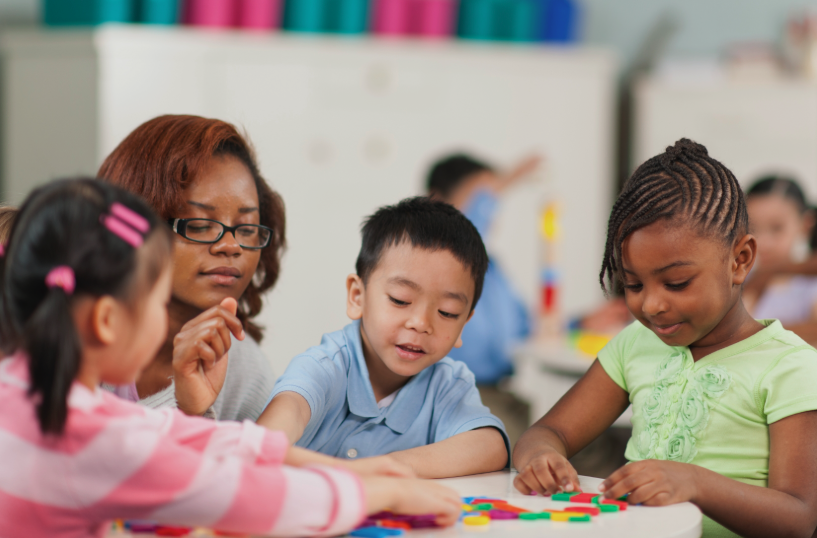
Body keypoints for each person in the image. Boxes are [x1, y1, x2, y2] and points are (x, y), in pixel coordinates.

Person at [0, 178, 462, 537]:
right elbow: (244, 499)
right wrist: (379, 491)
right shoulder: (87, 436)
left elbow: (175, 434)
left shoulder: (27, 393)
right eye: (155, 306)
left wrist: (345, 469)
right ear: (106, 321)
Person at [512, 140, 817, 538]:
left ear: (739, 260)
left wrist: (696, 483)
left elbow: (798, 517)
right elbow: (548, 432)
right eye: (633, 284)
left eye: (677, 282)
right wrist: (541, 456)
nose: (653, 304)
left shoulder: (790, 366)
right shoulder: (635, 344)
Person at [257, 197, 510, 478]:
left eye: (447, 312)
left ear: (464, 324)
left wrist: (390, 467)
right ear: (357, 297)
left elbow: (490, 445)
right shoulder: (326, 365)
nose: (421, 323)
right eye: (400, 300)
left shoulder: (448, 384)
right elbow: (280, 423)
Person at [98, 115, 283, 421]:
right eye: (199, 225)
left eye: (247, 228)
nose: (231, 246)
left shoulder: (244, 371)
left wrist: (195, 411)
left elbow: (253, 464)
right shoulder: (69, 329)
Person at [426, 153, 533, 444]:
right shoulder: (435, 257)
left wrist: (579, 322)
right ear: (437, 202)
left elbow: (526, 328)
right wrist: (509, 178)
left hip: (503, 393)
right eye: (481, 196)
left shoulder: (493, 269)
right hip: (458, 396)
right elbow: (467, 227)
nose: (490, 206)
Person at [743, 176, 817, 343]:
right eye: (753, 228)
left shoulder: (810, 285)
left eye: (777, 228)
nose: (763, 242)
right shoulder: (739, 281)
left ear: (805, 224)